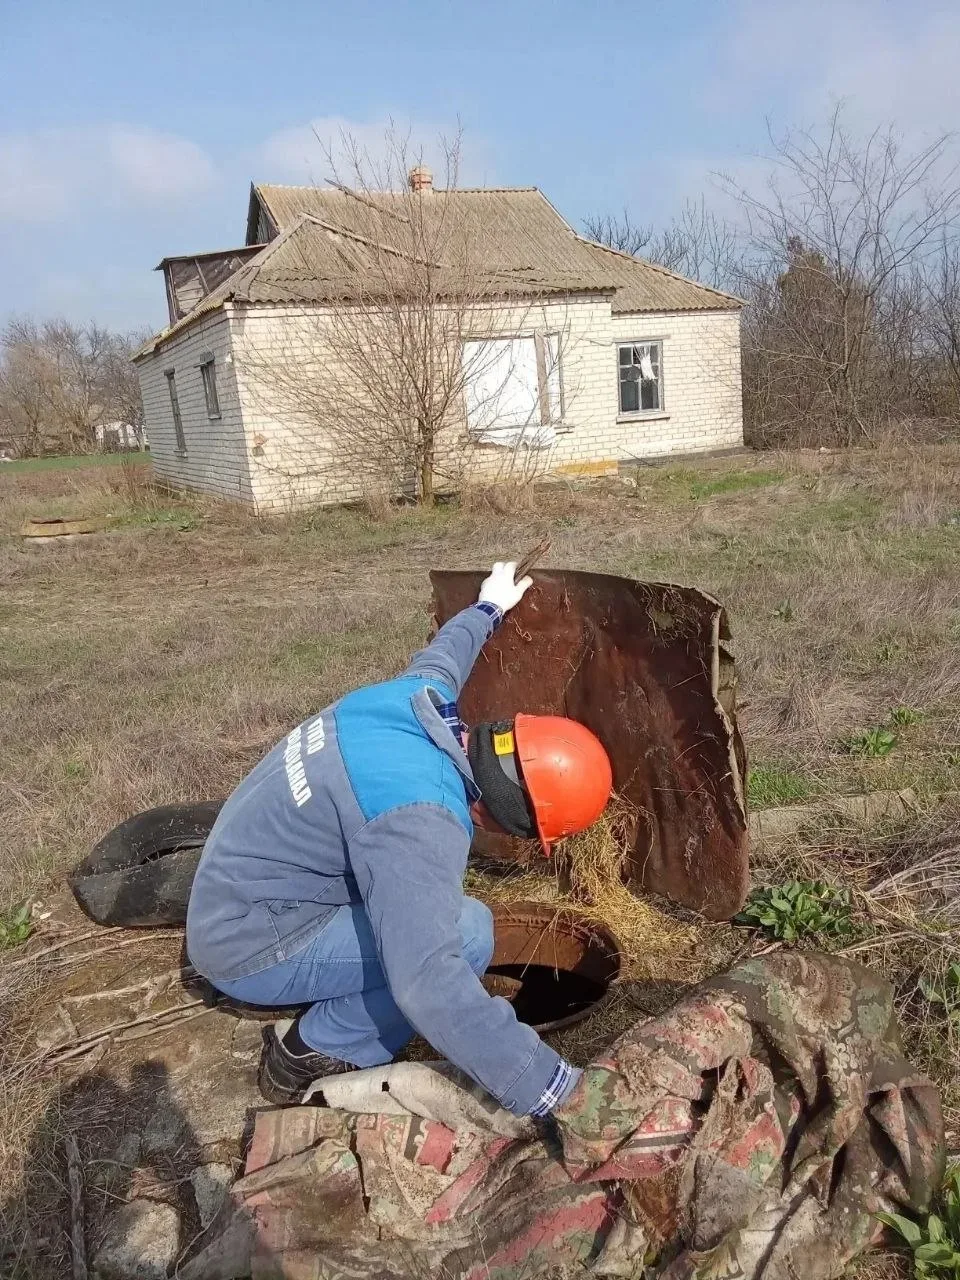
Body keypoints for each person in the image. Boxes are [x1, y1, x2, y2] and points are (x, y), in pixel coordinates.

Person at [185, 562, 613, 1116]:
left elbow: (441, 658)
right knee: (468, 937)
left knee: (451, 924)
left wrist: (488, 608)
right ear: (515, 820)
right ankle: (313, 1050)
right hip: (244, 944)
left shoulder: (413, 703)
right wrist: (551, 1087)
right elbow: (428, 982)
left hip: (238, 892)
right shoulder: (421, 818)